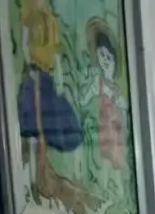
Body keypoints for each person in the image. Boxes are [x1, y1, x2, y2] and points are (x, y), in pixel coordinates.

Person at [17, 0, 83, 197]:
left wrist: (59, 80)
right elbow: (24, 45)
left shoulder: (50, 21)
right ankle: (34, 179)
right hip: (33, 76)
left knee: (48, 128)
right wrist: (30, 67)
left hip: (46, 79)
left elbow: (55, 54)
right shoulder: (29, 17)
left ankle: (46, 176)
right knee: (33, 130)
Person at [83, 17, 128, 174]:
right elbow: (86, 98)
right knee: (105, 166)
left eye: (109, 57)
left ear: (114, 61)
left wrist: (119, 101)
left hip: (116, 134)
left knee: (117, 164)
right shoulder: (99, 83)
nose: (105, 60)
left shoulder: (116, 87)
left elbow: (124, 106)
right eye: (102, 55)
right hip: (104, 132)